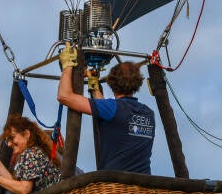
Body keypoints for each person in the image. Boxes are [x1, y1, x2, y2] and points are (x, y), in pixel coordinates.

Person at [57, 42, 155, 174]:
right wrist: (94, 86)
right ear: (137, 83)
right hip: (143, 186)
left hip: (115, 186)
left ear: (111, 83)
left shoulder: (112, 108)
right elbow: (112, 113)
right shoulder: (149, 113)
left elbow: (64, 96)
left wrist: (67, 66)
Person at [0, 115, 61, 194]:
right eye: (8, 140)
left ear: (26, 134)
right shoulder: (35, 151)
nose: (10, 144)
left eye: (12, 137)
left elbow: (24, 189)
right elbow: (14, 183)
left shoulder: (30, 153)